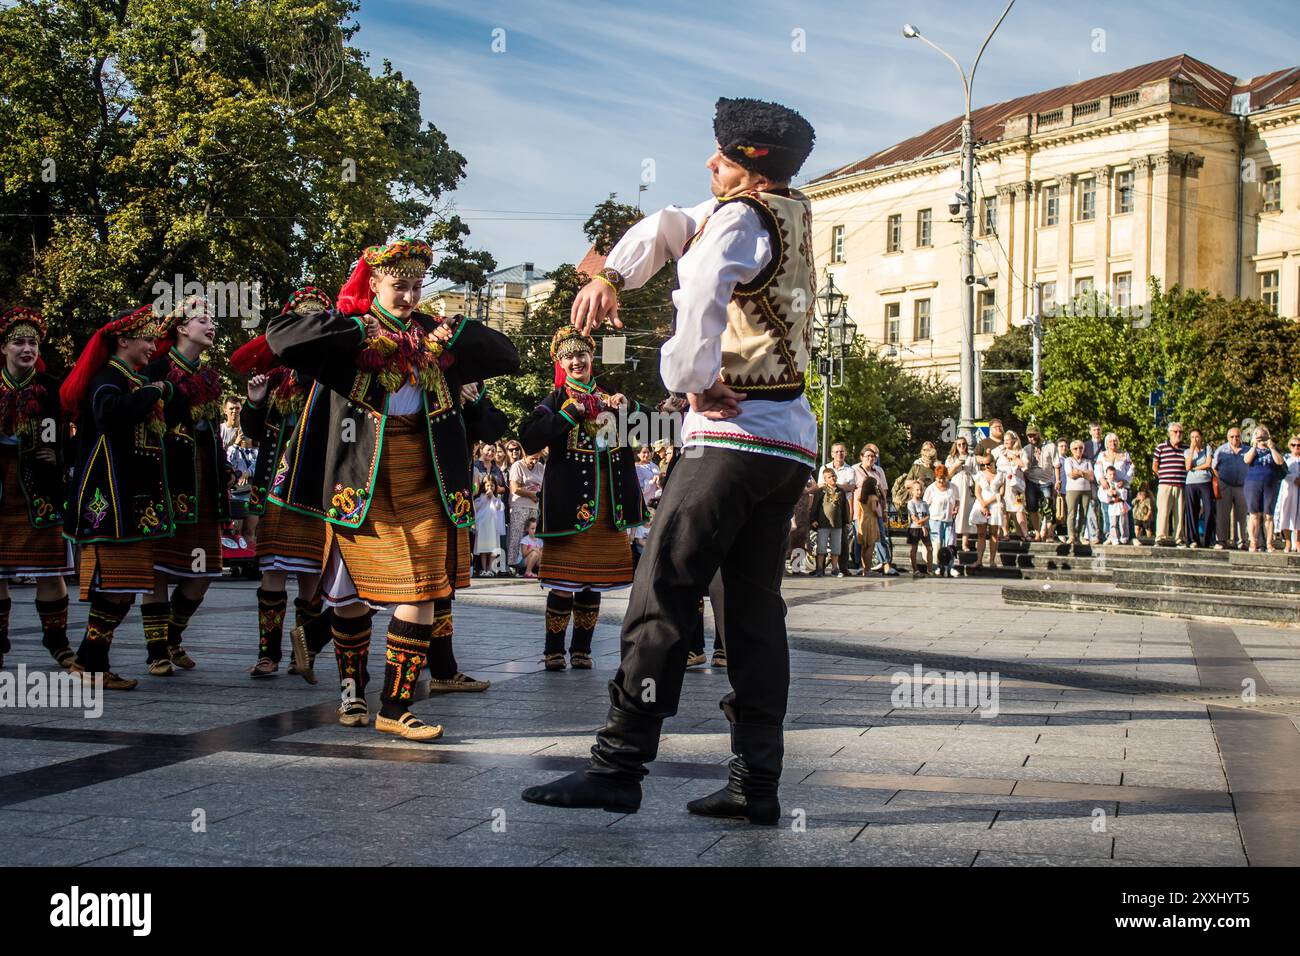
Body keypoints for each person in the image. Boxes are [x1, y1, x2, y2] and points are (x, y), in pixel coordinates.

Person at [522, 96, 818, 823]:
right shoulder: (786, 212)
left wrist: (688, 379)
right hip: (787, 445)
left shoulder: (738, 219)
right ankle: (757, 784)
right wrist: (610, 277)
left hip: (729, 441)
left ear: (747, 168)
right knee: (753, 614)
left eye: (719, 155)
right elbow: (667, 226)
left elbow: (697, 306)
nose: (707, 163)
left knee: (663, 594)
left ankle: (618, 765)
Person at [267, 237, 519, 738]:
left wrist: (457, 332)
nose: (408, 296)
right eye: (398, 286)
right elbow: (280, 337)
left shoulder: (433, 336)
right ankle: (352, 691)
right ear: (375, 284)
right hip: (363, 474)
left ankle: (395, 706)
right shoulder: (352, 335)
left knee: (425, 587)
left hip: (426, 475)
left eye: (417, 286)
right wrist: (358, 326)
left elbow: (506, 355)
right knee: (353, 593)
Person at [519, 325, 648, 671]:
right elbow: (529, 438)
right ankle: (553, 651)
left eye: (582, 354)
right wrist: (568, 414)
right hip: (569, 505)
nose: (577, 361)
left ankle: (582, 650)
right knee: (563, 583)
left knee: (593, 584)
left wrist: (631, 405)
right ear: (562, 362)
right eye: (570, 356)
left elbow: (656, 428)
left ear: (592, 358)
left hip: (607, 505)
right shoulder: (557, 399)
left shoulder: (610, 399)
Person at [61, 306, 175, 690]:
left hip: (129, 502)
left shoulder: (130, 378)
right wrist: (152, 391)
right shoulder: (108, 379)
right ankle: (91, 664)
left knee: (125, 586)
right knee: (116, 585)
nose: (151, 346)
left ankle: (90, 662)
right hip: (108, 501)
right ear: (122, 341)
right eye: (145, 338)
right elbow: (109, 415)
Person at [230, 292, 332, 679]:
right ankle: (267, 654)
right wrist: (255, 401)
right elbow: (253, 432)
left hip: (317, 490)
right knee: (272, 571)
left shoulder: (331, 374)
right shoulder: (275, 378)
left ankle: (300, 654)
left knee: (310, 576)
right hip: (275, 489)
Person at [142, 296, 231, 675]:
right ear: (181, 327)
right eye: (202, 319)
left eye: (212, 319)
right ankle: (157, 651)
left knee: (203, 572)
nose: (210, 325)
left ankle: (173, 636)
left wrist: (223, 465)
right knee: (158, 568)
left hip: (204, 479)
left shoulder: (210, 377)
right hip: (166, 478)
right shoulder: (156, 370)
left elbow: (211, 430)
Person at [0, 308, 75, 672]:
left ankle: (58, 642)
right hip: (1, 485)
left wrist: (60, 453)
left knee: (50, 568)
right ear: (4, 348)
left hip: (39, 487)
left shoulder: (50, 388)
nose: (27, 349)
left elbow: (72, 428)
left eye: (33, 342)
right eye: (19, 342)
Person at [1243, 425, 1285, 552]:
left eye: (1263, 436)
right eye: (1259, 436)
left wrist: (1271, 447)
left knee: (1268, 515)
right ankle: (1253, 542)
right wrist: (1254, 446)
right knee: (1254, 514)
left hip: (1270, 484)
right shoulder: (1252, 449)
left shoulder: (1273, 449)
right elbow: (1246, 460)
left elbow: (1279, 462)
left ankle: (1269, 543)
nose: (1261, 439)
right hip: (1253, 483)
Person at [857, 444, 897, 575]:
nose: (871, 458)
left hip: (872, 512)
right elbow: (852, 492)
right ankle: (864, 568)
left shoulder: (878, 471)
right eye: (868, 456)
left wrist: (884, 510)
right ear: (861, 457)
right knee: (866, 543)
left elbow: (883, 491)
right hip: (862, 512)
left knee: (880, 538)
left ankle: (884, 564)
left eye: (873, 456)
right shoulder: (854, 470)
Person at [1152, 422, 1189, 547]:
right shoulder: (1161, 447)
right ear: (1169, 433)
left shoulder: (1186, 448)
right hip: (1165, 484)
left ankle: (1178, 538)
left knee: (1179, 513)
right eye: (1175, 432)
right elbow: (1155, 466)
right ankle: (1160, 537)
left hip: (1180, 484)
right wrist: (1162, 476)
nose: (1178, 434)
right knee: (1163, 511)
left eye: (1180, 432)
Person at [1213, 426, 1249, 550]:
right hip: (1225, 485)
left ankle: (1242, 541)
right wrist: (1219, 480)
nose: (1235, 439)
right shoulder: (1221, 450)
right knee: (1222, 515)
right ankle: (1221, 540)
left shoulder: (1247, 450)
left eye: (1237, 436)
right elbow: (1213, 467)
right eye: (1232, 436)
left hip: (1242, 486)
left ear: (1241, 437)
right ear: (1228, 438)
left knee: (1242, 516)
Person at [1094, 433, 1133, 547]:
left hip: (1121, 488)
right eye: (1110, 441)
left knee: (1124, 513)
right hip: (1108, 488)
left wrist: (1125, 480)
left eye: (1115, 441)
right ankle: (1109, 536)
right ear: (1106, 443)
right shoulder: (1102, 455)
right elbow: (1098, 468)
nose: (1113, 443)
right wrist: (1102, 479)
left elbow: (1131, 468)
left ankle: (1126, 537)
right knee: (1107, 513)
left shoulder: (1124, 455)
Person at [824, 442, 858, 573]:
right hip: (826, 507)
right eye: (837, 451)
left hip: (843, 507)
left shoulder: (850, 470)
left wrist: (831, 484)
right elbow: (821, 486)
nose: (839, 454)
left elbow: (851, 488)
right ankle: (820, 567)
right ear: (832, 454)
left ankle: (843, 567)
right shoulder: (824, 468)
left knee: (843, 538)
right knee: (823, 537)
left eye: (842, 451)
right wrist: (841, 485)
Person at [507, 449, 544, 567]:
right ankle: (512, 565)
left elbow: (543, 486)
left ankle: (529, 566)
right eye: (532, 458)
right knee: (516, 537)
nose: (534, 461)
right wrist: (532, 494)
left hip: (534, 507)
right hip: (519, 506)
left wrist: (538, 495)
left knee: (532, 538)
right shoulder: (517, 466)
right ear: (525, 455)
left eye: (537, 459)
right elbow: (515, 489)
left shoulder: (540, 467)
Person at [809, 466, 848, 577]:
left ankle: (835, 568)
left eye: (833, 476)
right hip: (823, 523)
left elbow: (844, 508)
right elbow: (815, 506)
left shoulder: (841, 491)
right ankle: (819, 568)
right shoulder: (821, 491)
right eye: (829, 477)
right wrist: (813, 520)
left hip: (837, 523)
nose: (832, 478)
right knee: (821, 547)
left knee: (836, 547)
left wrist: (845, 521)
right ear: (825, 479)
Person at [924, 463, 960, 577]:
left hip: (949, 520)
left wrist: (956, 508)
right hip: (935, 520)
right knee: (937, 545)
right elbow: (925, 505)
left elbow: (957, 501)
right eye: (939, 479)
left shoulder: (953, 487)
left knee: (951, 544)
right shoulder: (931, 489)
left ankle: (951, 567)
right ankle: (938, 567)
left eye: (943, 479)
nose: (941, 482)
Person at [1183, 428, 1215, 549]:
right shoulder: (1187, 451)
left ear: (1201, 437)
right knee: (1192, 511)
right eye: (1192, 437)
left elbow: (1208, 464)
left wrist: (1195, 468)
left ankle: (1208, 539)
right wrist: (1192, 450)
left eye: (1197, 437)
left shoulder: (1207, 449)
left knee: (1209, 509)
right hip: (1191, 483)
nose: (1194, 439)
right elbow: (1187, 466)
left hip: (1205, 481)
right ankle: (1193, 539)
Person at [970, 458, 1004, 568]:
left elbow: (1001, 493)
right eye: (984, 464)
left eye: (989, 464)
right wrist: (983, 504)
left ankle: (992, 560)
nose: (987, 466)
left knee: (994, 534)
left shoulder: (1001, 475)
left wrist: (987, 503)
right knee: (981, 534)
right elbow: (977, 491)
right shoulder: (980, 475)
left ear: (994, 463)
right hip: (981, 504)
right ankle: (979, 560)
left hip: (994, 504)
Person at [945, 437, 976, 551]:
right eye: (959, 445)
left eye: (964, 444)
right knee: (955, 512)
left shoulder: (971, 457)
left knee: (966, 512)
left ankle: (965, 543)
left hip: (968, 484)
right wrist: (955, 465)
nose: (962, 447)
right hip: (956, 484)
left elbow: (976, 473)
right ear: (956, 446)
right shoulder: (951, 458)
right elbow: (947, 475)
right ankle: (952, 542)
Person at [1023, 427, 1053, 542]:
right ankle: (1037, 533)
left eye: (1034, 435)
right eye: (1029, 436)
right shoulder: (1026, 449)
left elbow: (1055, 464)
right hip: (1031, 480)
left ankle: (1049, 533)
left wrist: (1057, 480)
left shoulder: (1049, 446)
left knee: (1048, 508)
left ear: (1038, 434)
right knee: (1032, 508)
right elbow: (1024, 465)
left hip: (1046, 481)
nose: (1032, 438)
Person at [997, 431, 1029, 539]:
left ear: (1014, 440)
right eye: (1004, 440)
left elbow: (1024, 466)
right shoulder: (1000, 451)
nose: (1005, 442)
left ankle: (1025, 534)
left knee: (1019, 508)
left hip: (1017, 487)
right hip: (1004, 485)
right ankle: (1005, 533)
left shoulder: (1021, 452)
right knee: (1004, 509)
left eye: (1008, 440)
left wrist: (1014, 457)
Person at [473, 474, 506, 575]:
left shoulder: (497, 498)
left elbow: (499, 507)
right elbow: (476, 508)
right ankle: (484, 569)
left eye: (492, 486)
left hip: (493, 527)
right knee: (483, 549)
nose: (490, 488)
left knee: (493, 549)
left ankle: (490, 569)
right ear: (484, 486)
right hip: (483, 527)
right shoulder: (481, 498)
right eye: (487, 485)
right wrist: (484, 499)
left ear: (495, 487)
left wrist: (494, 499)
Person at [1064, 440, 1095, 545]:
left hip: (1086, 490)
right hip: (1072, 490)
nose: (1078, 451)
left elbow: (1091, 476)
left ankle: (1081, 535)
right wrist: (1084, 473)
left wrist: (1078, 472)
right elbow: (1071, 475)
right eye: (1075, 448)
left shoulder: (1087, 461)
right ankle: (1071, 535)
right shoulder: (1068, 460)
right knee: (1072, 513)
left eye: (1080, 448)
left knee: (1084, 513)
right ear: (1071, 450)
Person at [1274, 435, 1300, 553]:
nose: (1296, 447)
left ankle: (1298, 542)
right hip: (1288, 489)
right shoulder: (1286, 458)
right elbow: (1282, 472)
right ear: (1290, 446)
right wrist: (1293, 478)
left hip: (1299, 491)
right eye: (1293, 445)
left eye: (1298, 445)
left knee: (1298, 516)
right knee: (1286, 515)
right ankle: (1288, 542)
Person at [788, 475, 815, 574]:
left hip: (803, 514)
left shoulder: (807, 474)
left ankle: (796, 567)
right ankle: (782, 569)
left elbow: (815, 487)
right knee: (788, 541)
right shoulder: (790, 473)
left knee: (800, 541)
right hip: (792, 512)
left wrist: (806, 490)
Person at [1098, 465, 1131, 544]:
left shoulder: (1119, 483)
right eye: (1110, 474)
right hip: (1112, 505)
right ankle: (1114, 538)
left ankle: (1124, 537)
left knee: (1123, 522)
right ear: (1106, 475)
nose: (1112, 476)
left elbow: (1125, 493)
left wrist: (1118, 493)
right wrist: (1109, 494)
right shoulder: (1105, 485)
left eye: (1114, 474)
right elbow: (1101, 496)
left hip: (1121, 505)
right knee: (1113, 523)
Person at [905, 480, 932, 575]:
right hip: (914, 528)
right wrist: (922, 525)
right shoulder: (911, 503)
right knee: (914, 548)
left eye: (920, 490)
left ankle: (930, 569)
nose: (919, 492)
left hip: (925, 527)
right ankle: (915, 569)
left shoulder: (924, 503)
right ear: (912, 491)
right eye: (917, 490)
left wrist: (925, 526)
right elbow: (914, 517)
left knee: (929, 548)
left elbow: (928, 516)